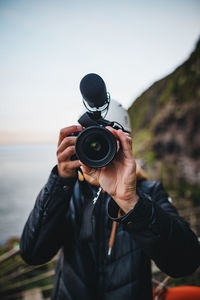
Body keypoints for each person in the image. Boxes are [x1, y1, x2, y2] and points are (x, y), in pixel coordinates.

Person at [20, 100, 200, 300]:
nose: (97, 147)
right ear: (78, 141)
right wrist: (60, 181)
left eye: (107, 140)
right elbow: (33, 254)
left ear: (125, 144)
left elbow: (186, 262)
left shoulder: (149, 192)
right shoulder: (67, 192)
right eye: (90, 140)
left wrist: (131, 201)